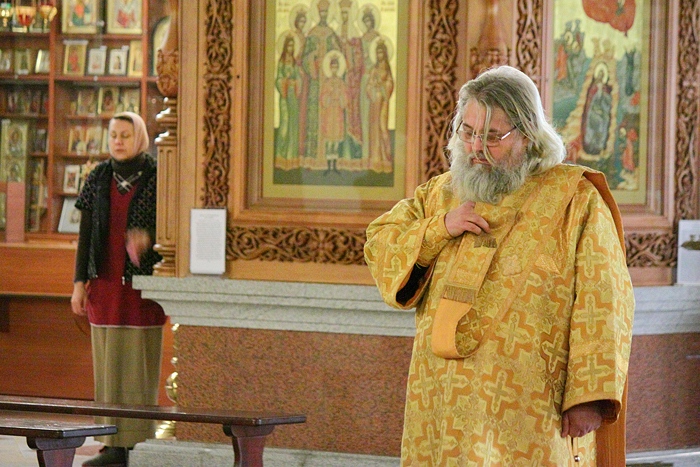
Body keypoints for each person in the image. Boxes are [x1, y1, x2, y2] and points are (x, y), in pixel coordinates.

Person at [364, 66, 634, 466]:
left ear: (528, 134)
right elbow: (379, 241)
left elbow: (605, 297)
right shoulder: (441, 194)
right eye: (468, 132)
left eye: (492, 137)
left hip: (530, 405)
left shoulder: (575, 200)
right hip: (441, 400)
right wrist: (439, 228)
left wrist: (589, 397)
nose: (476, 147)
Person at [71, 112, 165, 467]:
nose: (118, 141)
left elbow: (173, 227)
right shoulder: (98, 176)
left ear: (139, 137)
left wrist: (149, 238)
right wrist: (78, 284)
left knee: (138, 367)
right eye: (113, 135)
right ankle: (112, 446)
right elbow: (85, 237)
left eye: (126, 135)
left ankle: (137, 444)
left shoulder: (158, 175)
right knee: (108, 368)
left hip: (141, 289)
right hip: (105, 285)